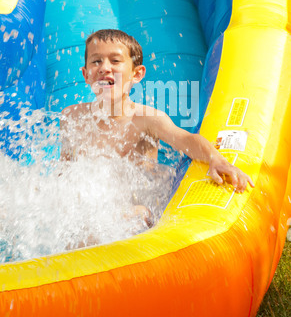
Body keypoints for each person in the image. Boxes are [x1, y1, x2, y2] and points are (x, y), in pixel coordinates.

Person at [60, 29, 254, 234]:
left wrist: (216, 159)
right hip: (92, 207)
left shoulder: (147, 119)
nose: (104, 68)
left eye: (115, 61)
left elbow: (185, 139)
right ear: (86, 74)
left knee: (139, 214)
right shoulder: (72, 117)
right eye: (96, 61)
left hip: (138, 205)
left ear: (137, 74)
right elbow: (66, 170)